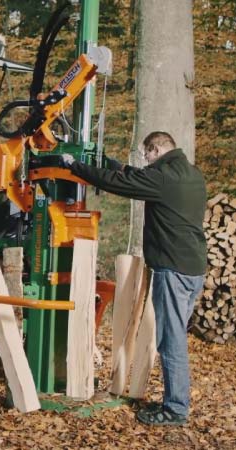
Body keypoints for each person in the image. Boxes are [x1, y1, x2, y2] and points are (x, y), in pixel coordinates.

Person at [62, 131, 207, 426]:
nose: (145, 160)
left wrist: (74, 166)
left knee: (171, 341)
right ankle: (175, 402)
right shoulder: (191, 174)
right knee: (174, 337)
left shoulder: (163, 179)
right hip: (193, 269)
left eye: (146, 155)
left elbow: (122, 184)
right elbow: (138, 176)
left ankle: (176, 409)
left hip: (173, 271)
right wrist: (114, 163)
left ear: (155, 150)